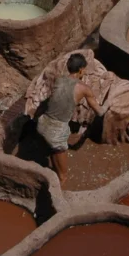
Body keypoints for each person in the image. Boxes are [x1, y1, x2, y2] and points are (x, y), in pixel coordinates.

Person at [36, 53, 104, 182]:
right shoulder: (84, 88)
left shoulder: (58, 79)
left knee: (53, 151)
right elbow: (99, 112)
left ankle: (53, 174)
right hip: (56, 132)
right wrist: (108, 106)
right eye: (85, 69)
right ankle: (58, 199)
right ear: (81, 70)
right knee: (63, 176)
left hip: (42, 124)